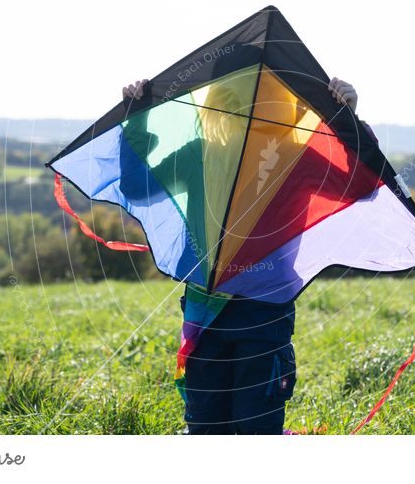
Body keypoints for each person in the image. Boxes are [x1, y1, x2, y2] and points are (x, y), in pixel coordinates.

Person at [122, 76, 361, 435]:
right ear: (218, 109)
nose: (245, 119)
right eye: (233, 108)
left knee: (257, 427)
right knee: (206, 426)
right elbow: (136, 188)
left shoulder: (299, 160)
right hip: (207, 310)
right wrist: (138, 115)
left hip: (264, 313)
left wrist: (346, 118)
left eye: (258, 109)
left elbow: (357, 184)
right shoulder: (198, 153)